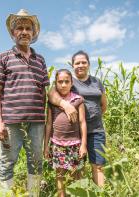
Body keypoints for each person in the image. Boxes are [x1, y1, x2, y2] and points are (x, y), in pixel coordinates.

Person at [0, 9, 50, 196]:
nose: (24, 32)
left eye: (28, 28)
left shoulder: (40, 60)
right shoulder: (3, 57)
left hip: (36, 122)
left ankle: (33, 194)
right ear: (13, 33)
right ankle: (7, 194)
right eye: (20, 28)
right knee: (8, 160)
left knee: (36, 161)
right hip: (11, 121)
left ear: (33, 33)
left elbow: (44, 92)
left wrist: (47, 119)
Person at [48, 50, 107, 187]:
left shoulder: (97, 82)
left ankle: (99, 194)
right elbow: (51, 94)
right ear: (72, 65)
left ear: (88, 64)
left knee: (98, 165)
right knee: (76, 169)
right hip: (75, 133)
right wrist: (65, 105)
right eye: (77, 63)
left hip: (96, 130)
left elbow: (103, 105)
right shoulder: (68, 81)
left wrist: (94, 116)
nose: (80, 65)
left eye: (83, 62)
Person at [44, 69, 87, 197]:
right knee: (59, 175)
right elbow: (49, 124)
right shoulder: (52, 101)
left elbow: (82, 122)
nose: (63, 85)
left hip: (75, 144)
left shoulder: (78, 100)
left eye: (66, 82)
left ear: (71, 82)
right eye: (60, 82)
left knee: (75, 175)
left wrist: (83, 145)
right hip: (57, 145)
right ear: (56, 83)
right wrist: (46, 145)